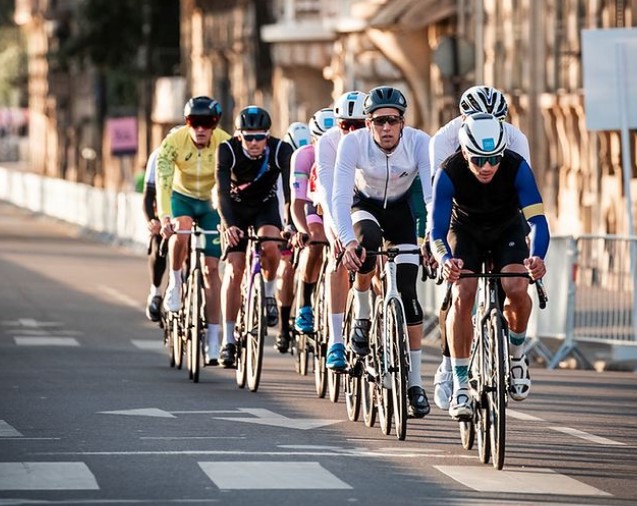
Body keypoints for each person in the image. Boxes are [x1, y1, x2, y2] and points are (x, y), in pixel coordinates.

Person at [429, 112, 549, 419]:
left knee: (517, 286)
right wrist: (445, 260)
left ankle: (518, 355)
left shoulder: (517, 167)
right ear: (465, 153)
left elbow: (537, 221)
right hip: (465, 232)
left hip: (507, 229)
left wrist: (538, 256)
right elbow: (437, 232)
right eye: (479, 160)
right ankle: (459, 384)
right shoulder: (449, 171)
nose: (487, 167)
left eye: (494, 158)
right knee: (462, 292)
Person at [332, 86, 433, 419]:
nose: (386, 128)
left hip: (402, 212)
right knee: (368, 243)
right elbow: (340, 200)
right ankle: (362, 313)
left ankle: (415, 383)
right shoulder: (353, 143)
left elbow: (431, 197)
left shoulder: (419, 142)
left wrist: (431, 237)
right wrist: (347, 241)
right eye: (379, 121)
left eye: (393, 120)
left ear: (402, 122)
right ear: (368, 122)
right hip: (366, 207)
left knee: (408, 291)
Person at [216, 105, 294, 367]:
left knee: (272, 247)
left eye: (259, 137)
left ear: (268, 135)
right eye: (248, 137)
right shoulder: (227, 150)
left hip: (265, 206)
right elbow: (221, 193)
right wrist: (227, 225)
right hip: (235, 209)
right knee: (236, 268)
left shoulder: (282, 150)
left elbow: (288, 193)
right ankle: (228, 340)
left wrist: (291, 224)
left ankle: (269, 293)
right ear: (239, 136)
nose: (254, 143)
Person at [156, 96, 231, 366]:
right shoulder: (173, 143)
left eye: (207, 123)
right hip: (182, 197)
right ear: (187, 123)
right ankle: (176, 283)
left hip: (211, 203)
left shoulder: (225, 142)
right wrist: (165, 217)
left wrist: (230, 219)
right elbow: (163, 182)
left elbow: (232, 183)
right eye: (193, 123)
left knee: (212, 269)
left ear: (215, 124)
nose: (200, 129)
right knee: (182, 229)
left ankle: (213, 339)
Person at [314, 91, 368, 371]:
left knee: (377, 256)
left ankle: (373, 318)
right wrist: (339, 235)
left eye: (357, 125)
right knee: (337, 260)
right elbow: (328, 190)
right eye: (344, 125)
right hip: (335, 203)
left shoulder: (378, 143)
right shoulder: (328, 142)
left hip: (366, 203)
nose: (350, 131)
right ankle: (336, 341)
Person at [289, 108, 335, 338]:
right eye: (321, 141)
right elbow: (297, 203)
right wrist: (302, 231)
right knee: (316, 242)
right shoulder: (304, 156)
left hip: (338, 207)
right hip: (312, 205)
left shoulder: (348, 149)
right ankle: (305, 304)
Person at [142, 146, 167, 322]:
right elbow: (148, 196)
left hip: (190, 212)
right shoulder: (158, 156)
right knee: (158, 243)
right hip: (163, 212)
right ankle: (156, 292)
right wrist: (152, 220)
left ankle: (193, 289)